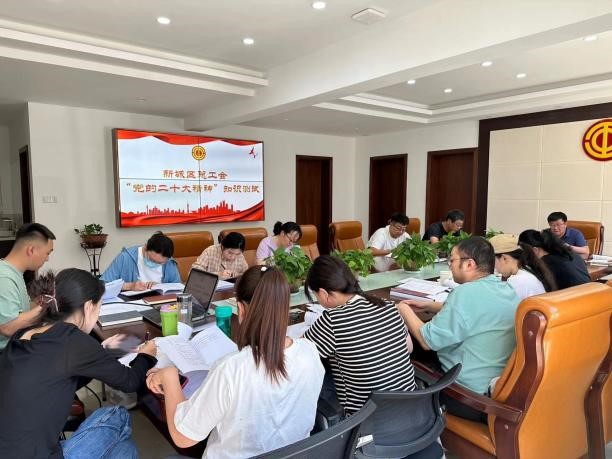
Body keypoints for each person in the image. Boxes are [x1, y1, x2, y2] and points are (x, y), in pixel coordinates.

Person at [146, 266, 324, 458]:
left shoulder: (231, 369)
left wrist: (169, 375)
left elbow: (183, 437)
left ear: (240, 309)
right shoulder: (309, 351)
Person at [0, 268, 157, 458]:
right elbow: (131, 381)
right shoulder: (73, 341)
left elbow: (60, 376)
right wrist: (146, 356)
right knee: (118, 414)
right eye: (99, 308)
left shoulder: (25, 333)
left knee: (125, 450)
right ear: (89, 307)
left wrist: (102, 353)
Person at [397, 237, 520, 422]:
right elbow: (478, 311)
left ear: (469, 264)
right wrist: (430, 306)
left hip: (468, 396)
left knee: (407, 351)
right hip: (498, 388)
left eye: (452, 260)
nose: (450, 265)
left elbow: (427, 340)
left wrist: (403, 308)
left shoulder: (464, 293)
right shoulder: (506, 288)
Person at [303, 255, 417, 415]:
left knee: (315, 381)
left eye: (315, 295)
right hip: (413, 410)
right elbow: (409, 348)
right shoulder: (388, 306)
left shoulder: (332, 320)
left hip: (366, 422)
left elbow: (296, 357)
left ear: (323, 293)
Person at [0, 222, 55, 351]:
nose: (47, 259)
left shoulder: (13, 272)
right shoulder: (4, 278)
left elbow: (19, 310)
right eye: (47, 253)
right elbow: (7, 327)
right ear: (31, 250)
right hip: (6, 354)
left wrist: (37, 303)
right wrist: (46, 306)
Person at [100, 231, 180, 290]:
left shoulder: (169, 262)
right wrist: (130, 286)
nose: (154, 264)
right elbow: (102, 285)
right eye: (152, 260)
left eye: (160, 263)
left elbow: (178, 287)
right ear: (145, 247)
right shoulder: (125, 258)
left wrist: (161, 286)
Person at [489, 233, 557, 300]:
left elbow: (498, 303)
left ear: (504, 258)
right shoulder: (527, 270)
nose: (495, 267)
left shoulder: (518, 281)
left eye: (493, 261)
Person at [518, 229, 590, 290]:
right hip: (590, 296)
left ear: (535, 250)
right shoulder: (569, 254)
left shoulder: (544, 263)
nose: (522, 254)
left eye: (523, 250)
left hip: (571, 300)